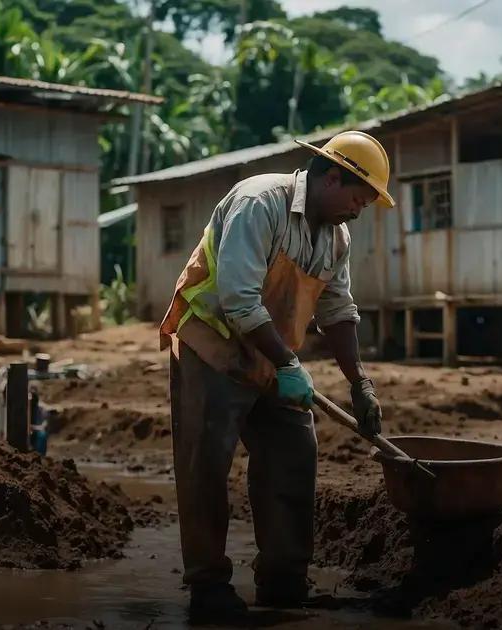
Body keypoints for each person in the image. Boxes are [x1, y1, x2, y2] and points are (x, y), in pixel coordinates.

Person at [159, 130, 395, 620]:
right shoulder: (260, 202)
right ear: (333, 178)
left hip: (271, 353)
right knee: (206, 464)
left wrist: (360, 385)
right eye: (358, 198)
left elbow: (337, 311)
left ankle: (284, 581)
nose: (358, 211)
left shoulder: (336, 236)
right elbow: (237, 299)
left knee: (293, 454)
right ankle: (207, 586)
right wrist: (289, 364)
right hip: (214, 344)